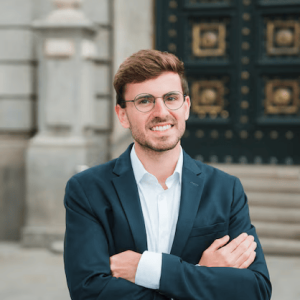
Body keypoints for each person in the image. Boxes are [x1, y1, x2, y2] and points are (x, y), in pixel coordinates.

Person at [64, 49, 272, 300]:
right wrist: (202, 274)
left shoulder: (226, 190)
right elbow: (89, 293)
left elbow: (256, 289)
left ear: (186, 107)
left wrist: (150, 270)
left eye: (171, 98)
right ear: (122, 115)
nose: (161, 112)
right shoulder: (87, 190)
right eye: (144, 101)